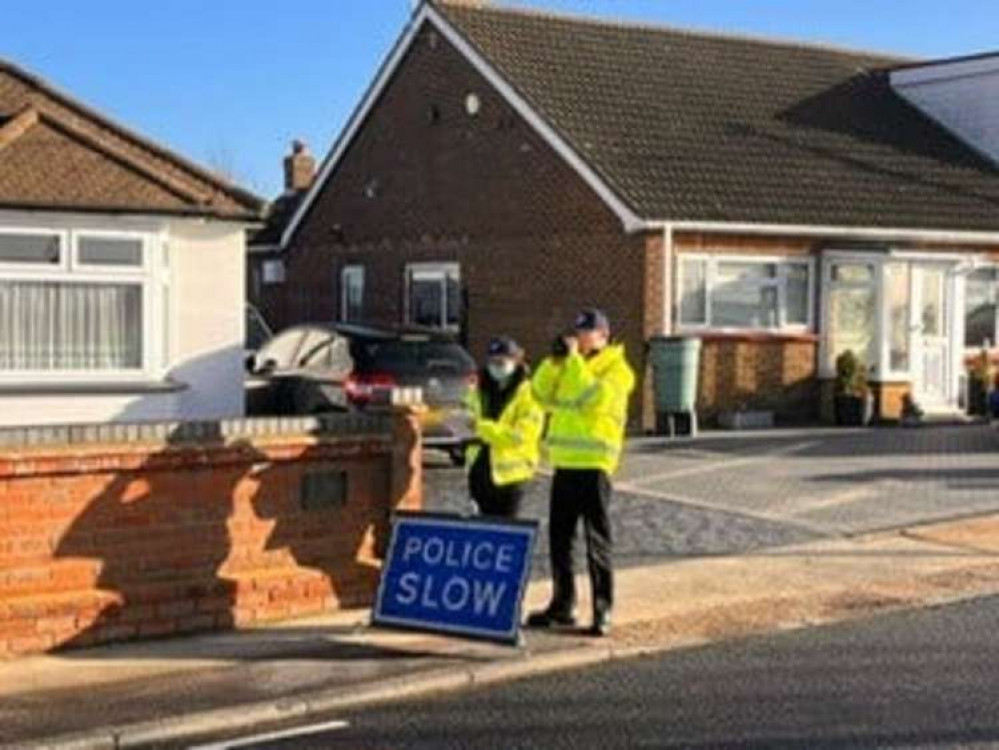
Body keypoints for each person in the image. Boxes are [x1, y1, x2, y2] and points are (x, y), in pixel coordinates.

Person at [527, 309, 635, 637]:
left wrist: (573, 361)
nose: (580, 337)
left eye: (587, 332)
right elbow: (539, 395)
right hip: (565, 464)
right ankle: (563, 604)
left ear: (603, 336)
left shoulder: (618, 370)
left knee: (596, 541)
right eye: (578, 331)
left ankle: (603, 610)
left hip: (594, 466)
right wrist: (553, 362)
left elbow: (593, 399)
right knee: (560, 540)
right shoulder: (569, 364)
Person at [466, 336, 544, 519]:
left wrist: (482, 428)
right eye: (492, 362)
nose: (496, 367)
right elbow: (467, 416)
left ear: (516, 362)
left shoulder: (529, 395)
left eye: (501, 362)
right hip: (480, 473)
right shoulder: (479, 390)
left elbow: (521, 436)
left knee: (507, 531)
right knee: (481, 530)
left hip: (511, 476)